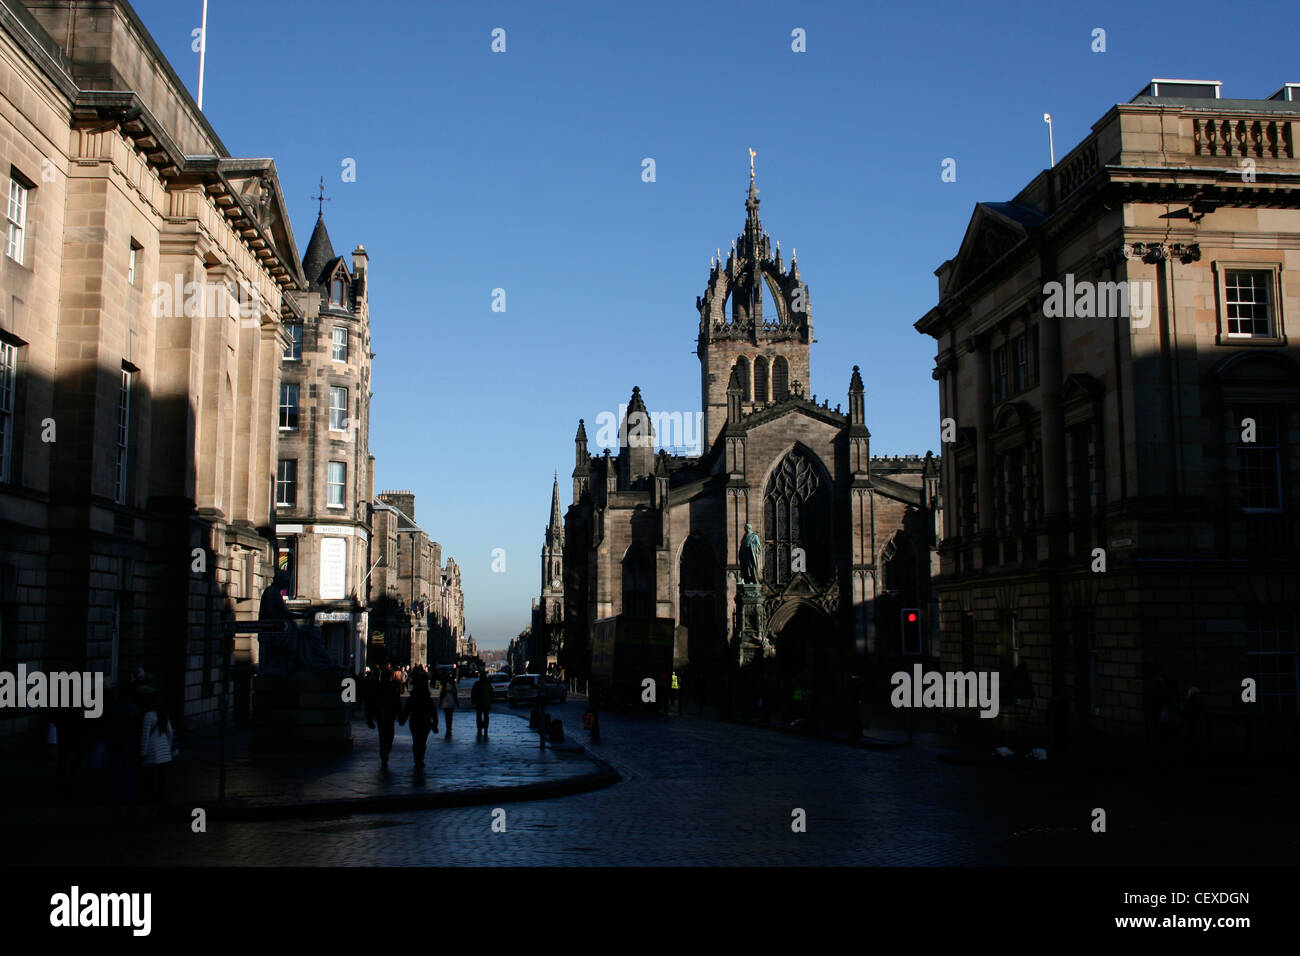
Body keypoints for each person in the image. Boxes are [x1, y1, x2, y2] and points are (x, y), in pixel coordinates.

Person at [139, 691, 173, 802]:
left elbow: (145, 735)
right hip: (164, 751)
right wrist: (168, 746)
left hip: (152, 751)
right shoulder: (164, 714)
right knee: (163, 778)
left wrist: (142, 753)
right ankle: (164, 799)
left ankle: (153, 800)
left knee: (153, 778)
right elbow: (170, 732)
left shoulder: (148, 715)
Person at [402, 669, 435, 769]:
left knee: (416, 741)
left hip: (415, 721)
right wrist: (435, 722)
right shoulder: (427, 697)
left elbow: (407, 709)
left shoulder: (413, 697)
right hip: (425, 721)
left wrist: (402, 719)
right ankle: (420, 758)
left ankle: (417, 758)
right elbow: (433, 710)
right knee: (422, 741)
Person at [370, 668, 401, 770]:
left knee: (382, 735)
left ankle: (384, 754)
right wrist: (400, 716)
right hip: (390, 715)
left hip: (381, 715)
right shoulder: (392, 687)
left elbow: (372, 703)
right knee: (389, 735)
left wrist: (370, 718)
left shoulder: (377, 687)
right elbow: (398, 702)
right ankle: (385, 752)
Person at [471, 671, 493, 737]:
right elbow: (491, 693)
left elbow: (473, 693)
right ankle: (485, 729)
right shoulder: (488, 684)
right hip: (486, 703)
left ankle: (479, 729)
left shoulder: (477, 684)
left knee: (479, 717)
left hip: (479, 703)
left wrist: (473, 700)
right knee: (486, 717)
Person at [439, 673, 458, 739]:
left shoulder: (444, 686)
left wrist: (440, 702)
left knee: (447, 715)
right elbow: (455, 694)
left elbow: (442, 695)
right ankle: (449, 726)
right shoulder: (453, 686)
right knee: (450, 715)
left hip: (445, 701)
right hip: (451, 701)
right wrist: (456, 702)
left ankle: (448, 726)